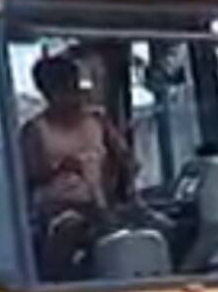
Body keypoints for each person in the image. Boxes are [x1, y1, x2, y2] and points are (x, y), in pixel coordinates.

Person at [20, 52, 135, 219]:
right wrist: (61, 168)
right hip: (56, 212)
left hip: (101, 206)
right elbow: (27, 179)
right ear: (46, 92)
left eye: (73, 85)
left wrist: (117, 176)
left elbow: (127, 161)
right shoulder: (35, 130)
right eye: (61, 88)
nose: (71, 94)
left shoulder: (98, 121)